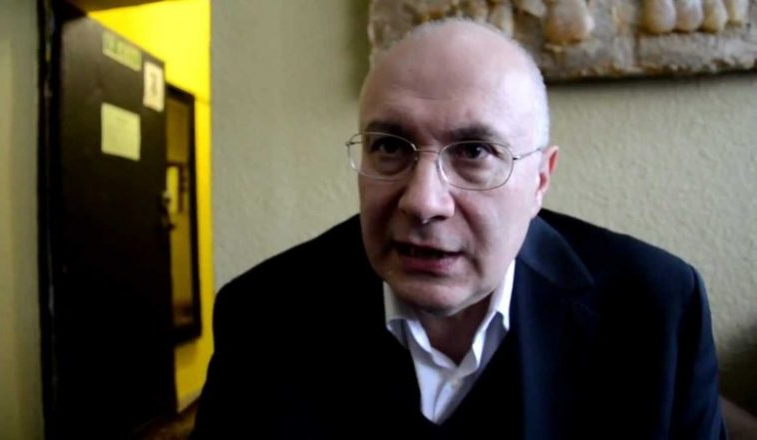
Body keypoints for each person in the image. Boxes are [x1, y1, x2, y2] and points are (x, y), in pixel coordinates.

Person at [192, 19, 725, 438]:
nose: (423, 202)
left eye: (474, 152)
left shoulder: (655, 311)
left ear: (540, 180)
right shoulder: (261, 315)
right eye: (389, 147)